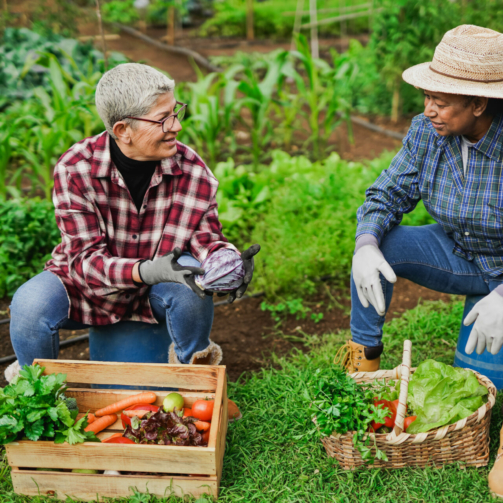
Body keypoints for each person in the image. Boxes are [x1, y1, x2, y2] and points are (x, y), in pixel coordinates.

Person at [5, 64, 259, 418]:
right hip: (88, 289)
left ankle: (200, 385)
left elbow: (205, 237)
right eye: (163, 119)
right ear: (122, 129)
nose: (177, 127)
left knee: (191, 281)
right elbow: (84, 262)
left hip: (156, 291)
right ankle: (41, 404)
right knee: (29, 304)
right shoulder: (76, 169)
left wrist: (226, 262)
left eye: (176, 112)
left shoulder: (191, 169)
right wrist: (146, 269)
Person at [335, 25, 503, 496]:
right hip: (459, 253)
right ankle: (363, 367)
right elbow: (386, 193)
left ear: (478, 103)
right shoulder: (426, 133)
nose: (428, 108)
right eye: (427, 95)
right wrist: (365, 243)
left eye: (441, 100)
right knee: (380, 246)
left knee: (484, 382)